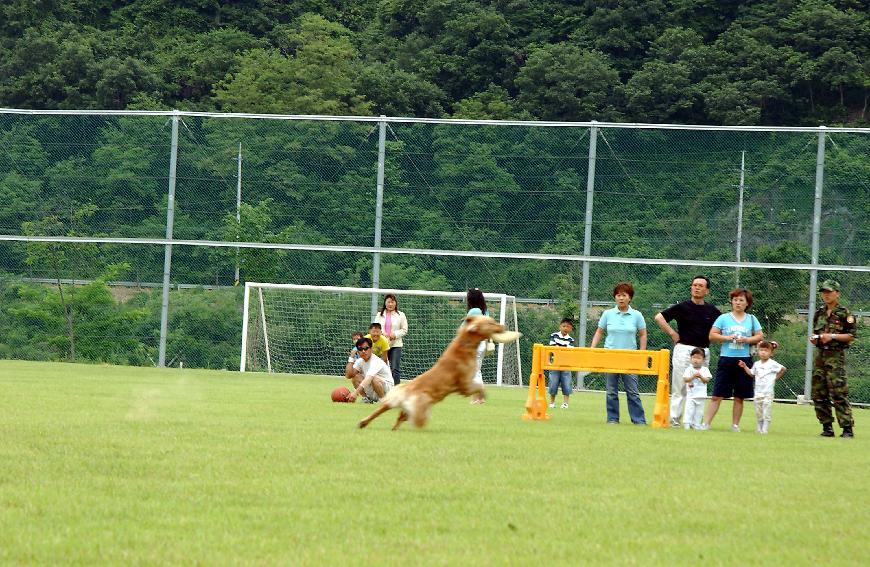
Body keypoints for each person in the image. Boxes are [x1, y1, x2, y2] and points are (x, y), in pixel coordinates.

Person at [653, 276, 721, 428]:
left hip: (703, 351)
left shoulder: (712, 311)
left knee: (699, 387)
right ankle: (675, 420)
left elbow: (722, 327)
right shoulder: (682, 307)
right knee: (680, 386)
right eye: (695, 285)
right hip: (683, 350)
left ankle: (694, 421)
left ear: (707, 290)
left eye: (701, 286)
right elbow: (659, 317)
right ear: (691, 287)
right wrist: (672, 333)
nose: (697, 287)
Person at [700, 288, 763, 432]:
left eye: (741, 300)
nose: (738, 303)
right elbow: (712, 335)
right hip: (726, 359)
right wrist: (728, 338)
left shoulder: (752, 319)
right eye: (735, 300)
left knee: (740, 396)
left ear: (747, 303)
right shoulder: (723, 318)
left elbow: (759, 336)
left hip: (744, 361)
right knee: (717, 395)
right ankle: (706, 423)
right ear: (731, 302)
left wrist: (746, 339)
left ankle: (735, 425)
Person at [590, 282, 647, 425]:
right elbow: (599, 332)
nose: (621, 298)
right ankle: (612, 419)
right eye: (618, 295)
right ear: (615, 297)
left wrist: (642, 353)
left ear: (630, 298)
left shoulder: (637, 315)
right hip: (610, 356)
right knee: (611, 390)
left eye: (624, 295)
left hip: (630, 357)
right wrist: (592, 348)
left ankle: (639, 420)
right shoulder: (608, 314)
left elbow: (642, 335)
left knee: (632, 391)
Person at [810, 280, 856, 438]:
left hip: (835, 356)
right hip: (820, 355)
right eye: (824, 292)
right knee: (818, 392)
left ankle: (847, 428)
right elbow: (817, 332)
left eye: (829, 292)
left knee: (838, 392)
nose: (826, 295)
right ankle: (827, 427)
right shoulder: (819, 313)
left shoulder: (844, 313)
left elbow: (851, 336)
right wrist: (816, 338)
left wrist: (833, 336)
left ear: (837, 293)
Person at [738, 340, 785, 434]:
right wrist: (744, 367)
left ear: (771, 353)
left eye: (766, 350)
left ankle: (765, 428)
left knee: (766, 409)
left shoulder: (773, 363)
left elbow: (783, 369)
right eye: (761, 350)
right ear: (758, 351)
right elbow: (751, 373)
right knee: (758, 410)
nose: (763, 352)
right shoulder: (757, 364)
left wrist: (775, 378)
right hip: (758, 391)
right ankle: (759, 426)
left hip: (768, 392)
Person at [345, 336, 394, 403]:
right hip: (374, 389)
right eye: (360, 349)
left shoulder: (376, 361)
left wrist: (355, 393)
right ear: (358, 351)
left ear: (371, 349)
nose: (363, 351)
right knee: (355, 377)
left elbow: (369, 378)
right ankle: (366, 399)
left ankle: (384, 401)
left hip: (387, 391)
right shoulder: (360, 361)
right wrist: (351, 358)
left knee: (373, 378)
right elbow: (349, 375)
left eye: (366, 348)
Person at [374, 294, 408, 384]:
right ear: (385, 303)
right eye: (388, 302)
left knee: (395, 369)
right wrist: (382, 333)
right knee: (381, 368)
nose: (390, 304)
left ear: (395, 303)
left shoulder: (401, 315)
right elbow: (375, 328)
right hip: (382, 346)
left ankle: (396, 391)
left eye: (392, 302)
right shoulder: (379, 315)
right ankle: (381, 390)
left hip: (396, 345)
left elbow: (405, 330)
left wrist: (395, 334)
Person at [465, 288, 489, 405]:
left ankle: (477, 398)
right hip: (482, 343)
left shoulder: (473, 311)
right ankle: (479, 397)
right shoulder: (485, 311)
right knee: (477, 371)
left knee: (474, 372)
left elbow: (465, 327)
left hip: (474, 344)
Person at [548, 318, 576, 409]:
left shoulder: (571, 340)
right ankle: (552, 403)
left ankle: (565, 403)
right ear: (560, 327)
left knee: (567, 384)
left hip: (565, 364)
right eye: (563, 326)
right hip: (555, 364)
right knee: (553, 383)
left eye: (568, 327)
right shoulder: (554, 335)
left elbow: (568, 352)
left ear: (571, 329)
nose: (565, 328)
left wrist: (559, 349)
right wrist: (560, 349)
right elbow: (553, 347)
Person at [682, 348, 712, 430]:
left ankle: (697, 424)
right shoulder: (689, 369)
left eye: (699, 358)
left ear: (703, 359)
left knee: (699, 412)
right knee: (689, 410)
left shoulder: (705, 369)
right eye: (694, 357)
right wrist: (693, 376)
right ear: (691, 358)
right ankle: (687, 423)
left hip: (701, 395)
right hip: (691, 395)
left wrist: (701, 376)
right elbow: (685, 379)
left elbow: (707, 380)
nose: (696, 360)